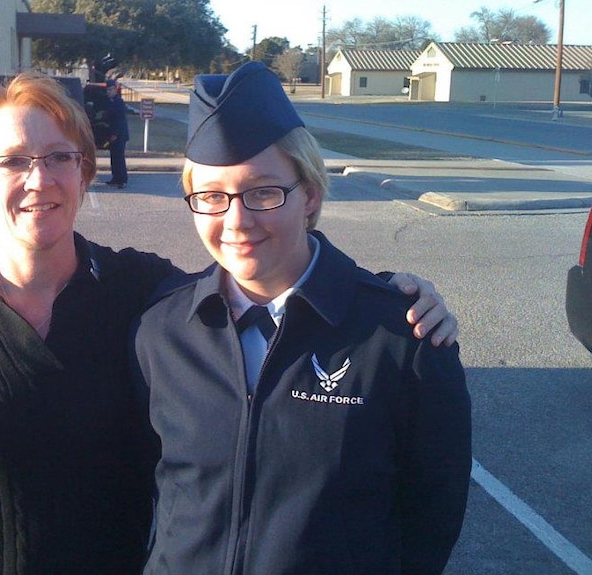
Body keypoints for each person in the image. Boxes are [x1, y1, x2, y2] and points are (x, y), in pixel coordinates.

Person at [0, 71, 458, 575]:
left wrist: (391, 297)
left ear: (83, 172)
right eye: (12, 161)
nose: (39, 179)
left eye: (58, 158)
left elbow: (430, 516)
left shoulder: (140, 294)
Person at [131, 61, 472, 574]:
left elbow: (432, 514)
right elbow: (144, 485)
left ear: (310, 195)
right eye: (211, 196)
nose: (236, 221)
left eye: (263, 192)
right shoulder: (162, 329)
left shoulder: (402, 337)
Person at [103, 79, 129, 188]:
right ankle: (115, 178)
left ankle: (122, 180)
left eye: (110, 90)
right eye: (107, 90)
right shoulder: (110, 102)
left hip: (119, 135)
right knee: (114, 157)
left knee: (119, 158)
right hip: (113, 135)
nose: (108, 92)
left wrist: (115, 134)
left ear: (115, 89)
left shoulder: (119, 102)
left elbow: (120, 120)